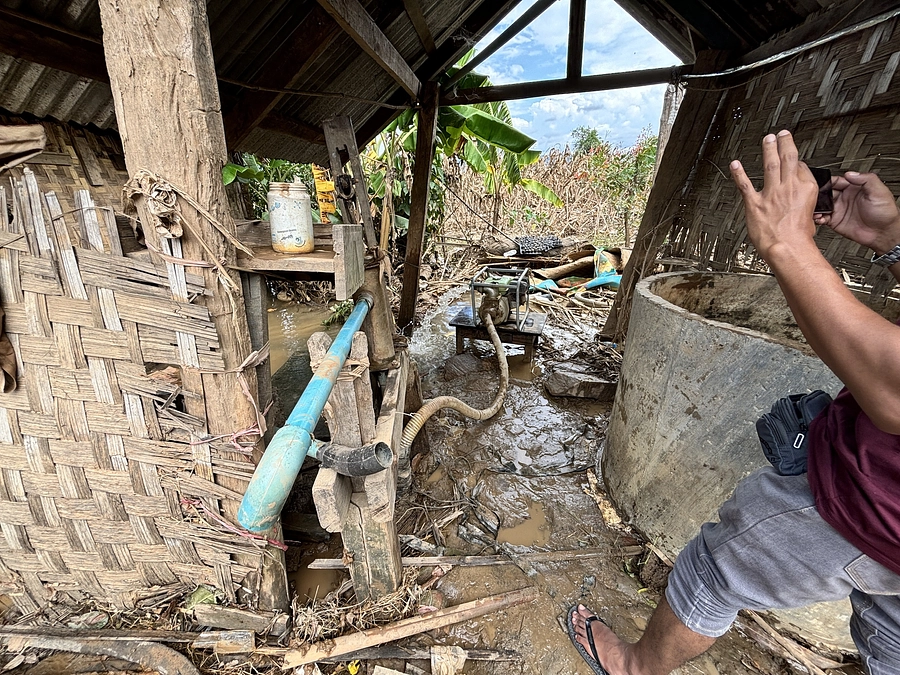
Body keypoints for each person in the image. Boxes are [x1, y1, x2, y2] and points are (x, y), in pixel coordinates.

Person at [567, 129, 900, 675]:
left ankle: (634, 667)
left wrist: (787, 245)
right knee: (890, 637)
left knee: (716, 567)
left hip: (875, 501)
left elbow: (892, 393)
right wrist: (892, 240)